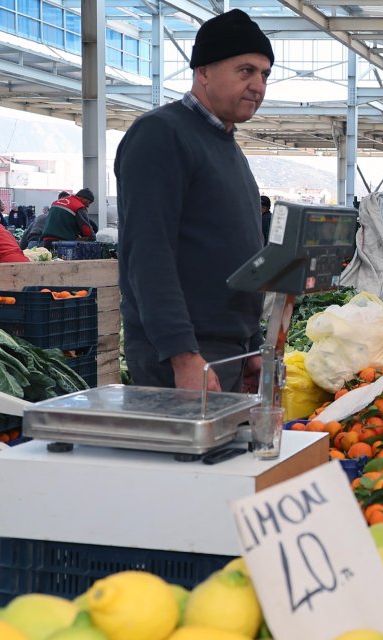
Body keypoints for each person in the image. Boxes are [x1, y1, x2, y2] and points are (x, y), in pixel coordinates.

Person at [115, 9, 272, 392]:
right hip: (184, 354)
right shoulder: (161, 134)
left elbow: (238, 254)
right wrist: (182, 356)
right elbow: (148, 254)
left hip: (227, 351)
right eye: (246, 71)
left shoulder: (228, 147)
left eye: (265, 74)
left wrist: (251, 343)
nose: (258, 85)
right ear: (203, 71)